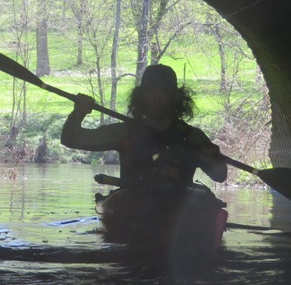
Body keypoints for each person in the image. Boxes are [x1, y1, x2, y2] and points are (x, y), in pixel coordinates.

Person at [61, 64, 227, 195]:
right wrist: (78, 113)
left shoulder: (192, 137)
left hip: (177, 210)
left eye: (164, 91)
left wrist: (209, 158)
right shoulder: (124, 133)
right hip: (133, 207)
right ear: (141, 95)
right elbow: (71, 140)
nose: (156, 98)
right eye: (150, 91)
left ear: (176, 97)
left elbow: (220, 176)